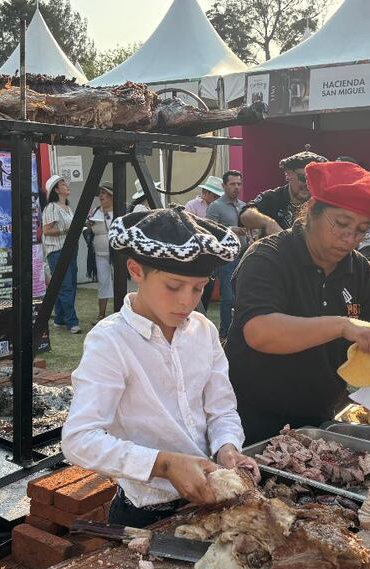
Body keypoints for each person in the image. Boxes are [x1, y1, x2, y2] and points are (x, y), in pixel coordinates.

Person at [62, 208, 258, 528]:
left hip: (209, 498)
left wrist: (227, 448)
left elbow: (221, 408)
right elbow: (79, 440)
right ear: (136, 270)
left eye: (198, 288)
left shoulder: (204, 330)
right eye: (173, 286)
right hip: (144, 511)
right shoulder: (110, 341)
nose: (187, 302)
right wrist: (164, 464)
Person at [226, 161, 370, 443]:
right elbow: (260, 332)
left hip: (319, 418)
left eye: (361, 230)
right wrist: (342, 325)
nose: (349, 237)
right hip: (249, 415)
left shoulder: (360, 271)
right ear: (312, 211)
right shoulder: (268, 257)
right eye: (341, 224)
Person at [240, 150, 328, 235]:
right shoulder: (274, 197)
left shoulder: (321, 202)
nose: (307, 184)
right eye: (303, 178)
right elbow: (245, 215)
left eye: (314, 179)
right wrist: (269, 223)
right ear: (288, 174)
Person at [206, 170, 247, 339]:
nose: (236, 187)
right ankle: (225, 333)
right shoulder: (215, 206)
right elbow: (209, 230)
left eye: (239, 184)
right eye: (232, 184)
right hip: (227, 257)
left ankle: (238, 331)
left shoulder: (244, 206)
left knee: (242, 297)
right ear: (224, 186)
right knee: (228, 297)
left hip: (244, 255)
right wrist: (231, 230)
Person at [41, 175, 81, 334]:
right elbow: (46, 230)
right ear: (56, 189)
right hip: (57, 251)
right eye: (63, 184)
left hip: (69, 249)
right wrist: (66, 230)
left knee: (64, 285)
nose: (67, 186)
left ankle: (59, 318)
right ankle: (72, 322)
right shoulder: (51, 207)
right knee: (66, 286)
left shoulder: (67, 207)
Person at [88, 181, 116, 322]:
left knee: (119, 281)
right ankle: (101, 314)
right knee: (103, 282)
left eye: (104, 193)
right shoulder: (95, 211)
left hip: (116, 253)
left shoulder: (119, 211)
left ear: (111, 195)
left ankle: (120, 311)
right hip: (99, 253)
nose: (101, 196)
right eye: (100, 193)